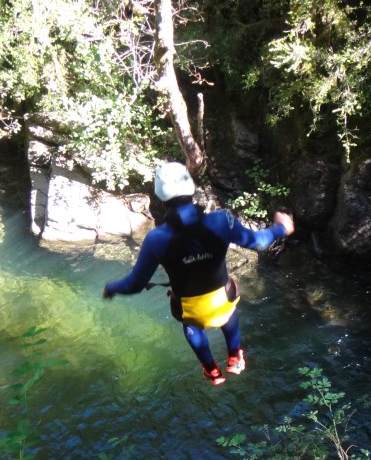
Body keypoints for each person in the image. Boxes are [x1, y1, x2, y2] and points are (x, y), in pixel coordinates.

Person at [103, 161, 294, 385]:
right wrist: (281, 227)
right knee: (229, 314)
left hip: (190, 310)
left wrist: (111, 287)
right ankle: (234, 358)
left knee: (191, 325)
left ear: (161, 198)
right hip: (223, 301)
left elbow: (135, 284)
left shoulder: (156, 239)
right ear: (191, 188)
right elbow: (259, 241)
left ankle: (212, 371)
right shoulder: (222, 221)